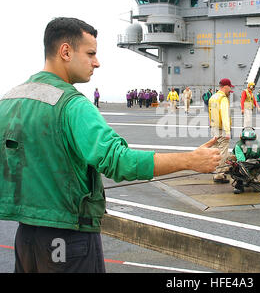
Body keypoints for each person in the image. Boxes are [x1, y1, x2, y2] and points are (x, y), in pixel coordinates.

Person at [0, 17, 221, 273]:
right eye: (91, 53)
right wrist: (190, 160)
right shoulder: (72, 105)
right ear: (65, 51)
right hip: (67, 239)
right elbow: (120, 162)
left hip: (26, 237)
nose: (97, 62)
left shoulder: (8, 100)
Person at [232, 127, 260, 194]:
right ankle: (239, 184)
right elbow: (241, 161)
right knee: (237, 166)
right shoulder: (238, 146)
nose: (249, 142)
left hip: (255, 162)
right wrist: (248, 175)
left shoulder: (259, 144)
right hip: (244, 163)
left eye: (251, 140)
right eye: (246, 140)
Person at [208, 78, 234, 183]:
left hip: (214, 128)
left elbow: (210, 113)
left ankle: (214, 170)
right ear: (225, 86)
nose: (230, 91)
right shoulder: (223, 99)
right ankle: (219, 175)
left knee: (215, 151)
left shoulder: (213, 97)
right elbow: (225, 116)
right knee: (222, 152)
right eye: (229, 88)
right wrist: (227, 131)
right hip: (222, 129)